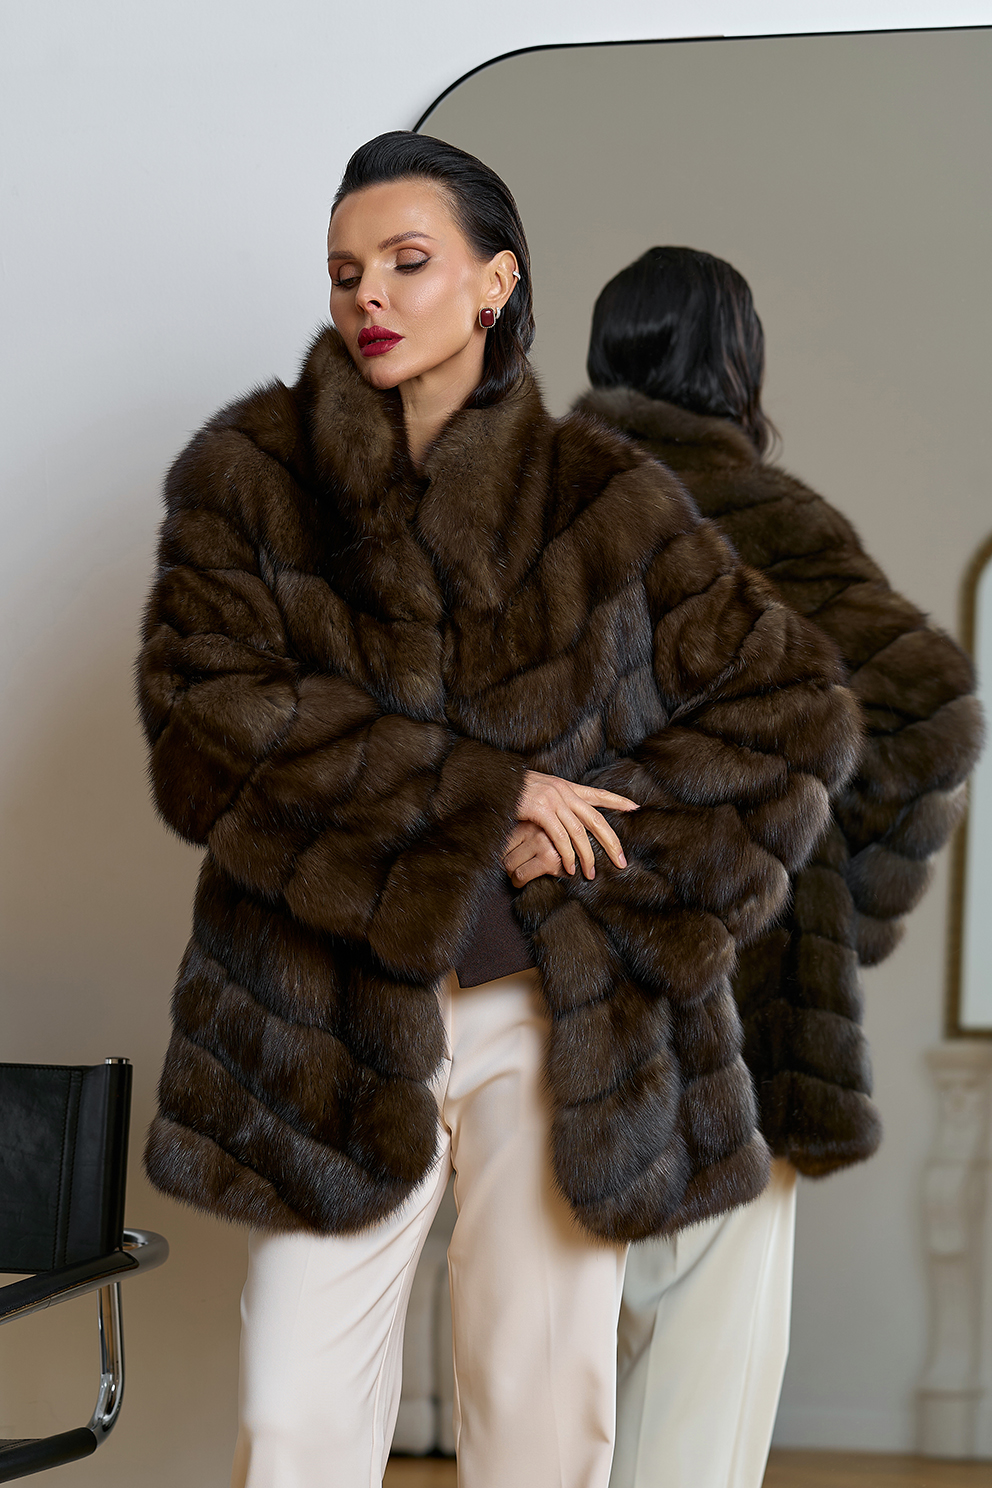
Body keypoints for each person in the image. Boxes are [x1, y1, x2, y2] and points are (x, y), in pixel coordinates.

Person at [137, 143, 862, 1488]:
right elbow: (202, 726)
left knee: (539, 1416)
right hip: (326, 1007)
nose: (369, 295)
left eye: (408, 262)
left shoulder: (602, 497)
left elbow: (793, 711)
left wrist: (621, 843)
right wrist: (481, 794)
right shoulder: (250, 480)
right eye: (345, 271)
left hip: (551, 1013)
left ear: (494, 282)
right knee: (292, 1417)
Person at [577, 246, 984, 1488]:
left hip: (555, 984)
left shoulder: (535, 507)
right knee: (698, 1388)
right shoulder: (767, 519)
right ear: (734, 361)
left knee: (542, 1387)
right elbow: (929, 710)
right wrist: (827, 904)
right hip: (743, 1002)